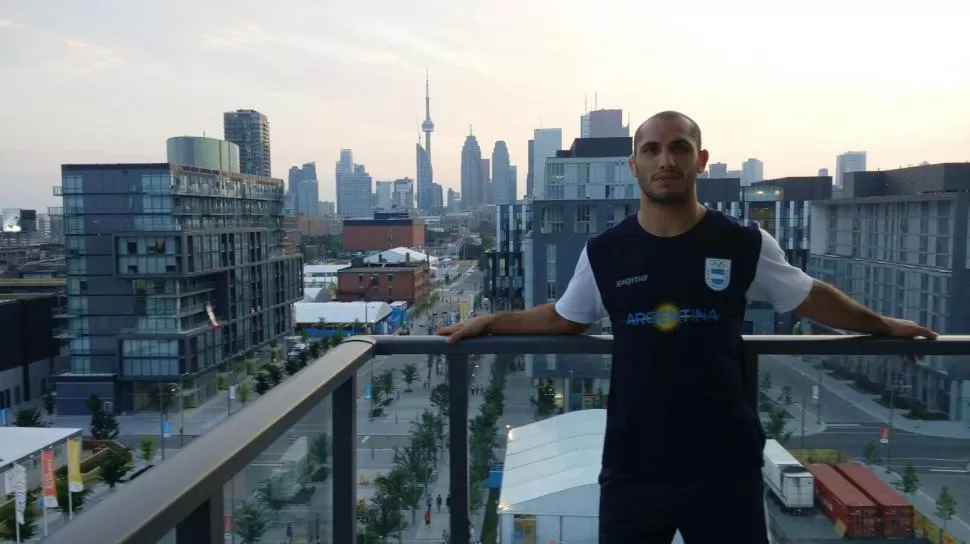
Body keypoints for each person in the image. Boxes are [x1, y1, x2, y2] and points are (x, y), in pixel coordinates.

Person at [436, 111, 936, 544]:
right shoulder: (606, 252)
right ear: (634, 166)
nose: (665, 161)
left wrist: (884, 325)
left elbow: (808, 296)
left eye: (679, 148)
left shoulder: (743, 243)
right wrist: (491, 321)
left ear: (701, 159)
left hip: (725, 465)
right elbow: (565, 316)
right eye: (651, 150)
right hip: (635, 465)